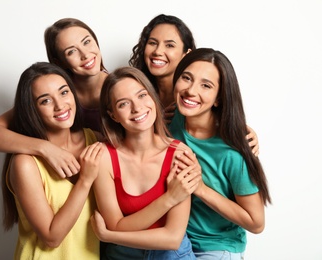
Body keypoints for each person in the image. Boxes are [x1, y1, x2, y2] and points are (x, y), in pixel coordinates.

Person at [168, 48, 272, 259]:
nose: (191, 90)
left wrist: (201, 189)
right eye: (186, 78)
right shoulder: (172, 118)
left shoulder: (234, 151)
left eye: (206, 86)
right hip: (175, 241)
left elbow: (256, 222)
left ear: (218, 98)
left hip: (216, 248)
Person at [90, 66, 202, 259]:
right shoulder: (103, 157)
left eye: (142, 95)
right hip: (122, 255)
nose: (137, 107)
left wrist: (110, 236)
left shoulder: (179, 153)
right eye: (123, 104)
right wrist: (169, 199)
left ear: (152, 97)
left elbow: (172, 238)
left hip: (172, 255)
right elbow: (115, 224)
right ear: (113, 114)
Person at [0, 18, 108, 178]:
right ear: (60, 62)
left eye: (87, 42)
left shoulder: (123, 87)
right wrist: (45, 148)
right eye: (71, 51)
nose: (85, 54)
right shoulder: (58, 94)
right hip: (62, 180)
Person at [0, 62, 104, 259]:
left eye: (64, 92)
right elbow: (51, 237)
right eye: (45, 101)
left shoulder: (94, 140)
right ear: (32, 110)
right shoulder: (25, 163)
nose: (60, 105)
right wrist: (85, 180)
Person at [129, 14, 260, 155]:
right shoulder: (134, 92)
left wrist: (241, 133)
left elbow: (221, 124)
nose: (158, 51)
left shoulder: (193, 98)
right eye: (153, 43)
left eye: (169, 45)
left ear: (187, 54)